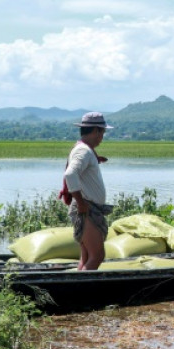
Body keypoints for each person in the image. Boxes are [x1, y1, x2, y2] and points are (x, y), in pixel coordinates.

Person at [62, 112, 114, 271]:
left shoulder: (84, 150)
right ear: (95, 131)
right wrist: (81, 202)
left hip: (87, 208)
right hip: (86, 209)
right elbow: (70, 174)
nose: (102, 137)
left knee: (86, 256)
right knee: (97, 256)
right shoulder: (83, 151)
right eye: (102, 133)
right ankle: (81, 290)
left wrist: (96, 161)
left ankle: (77, 286)